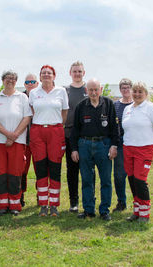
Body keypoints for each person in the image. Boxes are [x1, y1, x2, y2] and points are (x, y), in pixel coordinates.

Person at [70, 78, 119, 221]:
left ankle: (104, 210)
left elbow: (115, 129)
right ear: (86, 90)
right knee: (86, 179)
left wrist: (114, 145)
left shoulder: (108, 104)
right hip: (84, 144)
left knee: (105, 180)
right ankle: (88, 209)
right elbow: (75, 130)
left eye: (96, 89)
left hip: (103, 145)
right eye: (90, 90)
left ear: (101, 90)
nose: (93, 92)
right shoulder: (81, 106)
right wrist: (74, 149)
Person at [0, 69, 32, 216]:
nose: (10, 80)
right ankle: (1, 205)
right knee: (0, 173)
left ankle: (14, 205)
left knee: (15, 173)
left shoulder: (22, 98)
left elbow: (26, 118)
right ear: (3, 80)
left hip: (18, 142)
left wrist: (14, 136)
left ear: (16, 81)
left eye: (13, 78)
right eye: (7, 78)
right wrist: (7, 134)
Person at [29, 65, 69, 217]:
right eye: (43, 73)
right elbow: (33, 111)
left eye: (49, 73)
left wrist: (56, 125)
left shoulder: (61, 91)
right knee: (40, 168)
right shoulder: (34, 93)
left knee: (54, 168)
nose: (46, 75)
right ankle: (43, 205)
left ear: (54, 76)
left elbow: (64, 112)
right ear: (40, 76)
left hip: (55, 130)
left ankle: (54, 205)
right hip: (38, 130)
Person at [122, 81, 153, 223]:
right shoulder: (127, 109)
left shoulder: (151, 108)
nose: (137, 94)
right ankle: (137, 211)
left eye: (140, 91)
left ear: (146, 94)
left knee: (140, 180)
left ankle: (145, 214)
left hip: (144, 149)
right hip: (128, 148)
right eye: (135, 91)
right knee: (132, 180)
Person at [64, 61, 89, 213]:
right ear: (70, 73)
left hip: (87, 136)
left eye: (80, 71)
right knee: (71, 170)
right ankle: (74, 201)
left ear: (83, 73)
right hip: (69, 135)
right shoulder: (64, 90)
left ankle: (89, 199)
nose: (77, 74)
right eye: (75, 71)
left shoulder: (89, 89)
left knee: (87, 169)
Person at [112, 78, 133, 212]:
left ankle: (139, 201)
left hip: (132, 142)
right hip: (119, 143)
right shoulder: (115, 105)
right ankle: (121, 201)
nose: (125, 90)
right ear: (120, 90)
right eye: (123, 88)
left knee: (134, 174)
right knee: (119, 175)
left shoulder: (136, 104)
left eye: (128, 87)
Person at [21, 73, 39, 207]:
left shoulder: (41, 96)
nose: (30, 84)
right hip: (23, 140)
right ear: (24, 84)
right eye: (28, 82)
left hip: (38, 140)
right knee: (22, 169)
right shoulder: (20, 98)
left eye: (33, 81)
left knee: (40, 169)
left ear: (37, 83)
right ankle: (20, 194)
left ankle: (41, 195)